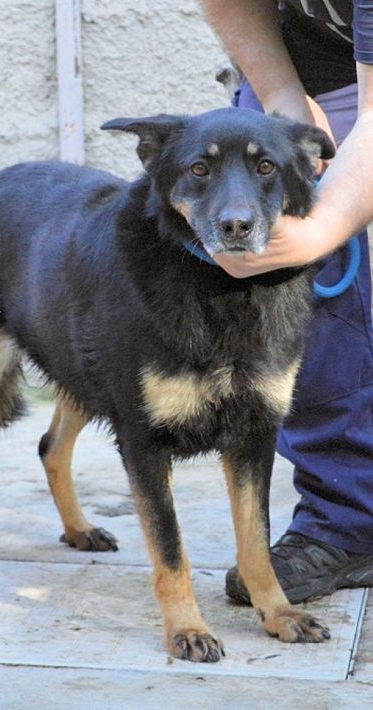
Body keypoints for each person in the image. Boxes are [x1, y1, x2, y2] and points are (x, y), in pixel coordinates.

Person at [201, 0, 373, 604]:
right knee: (293, 284)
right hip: (315, 61)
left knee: (314, 239)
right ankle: (346, 522)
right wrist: (282, 99)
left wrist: (320, 232)